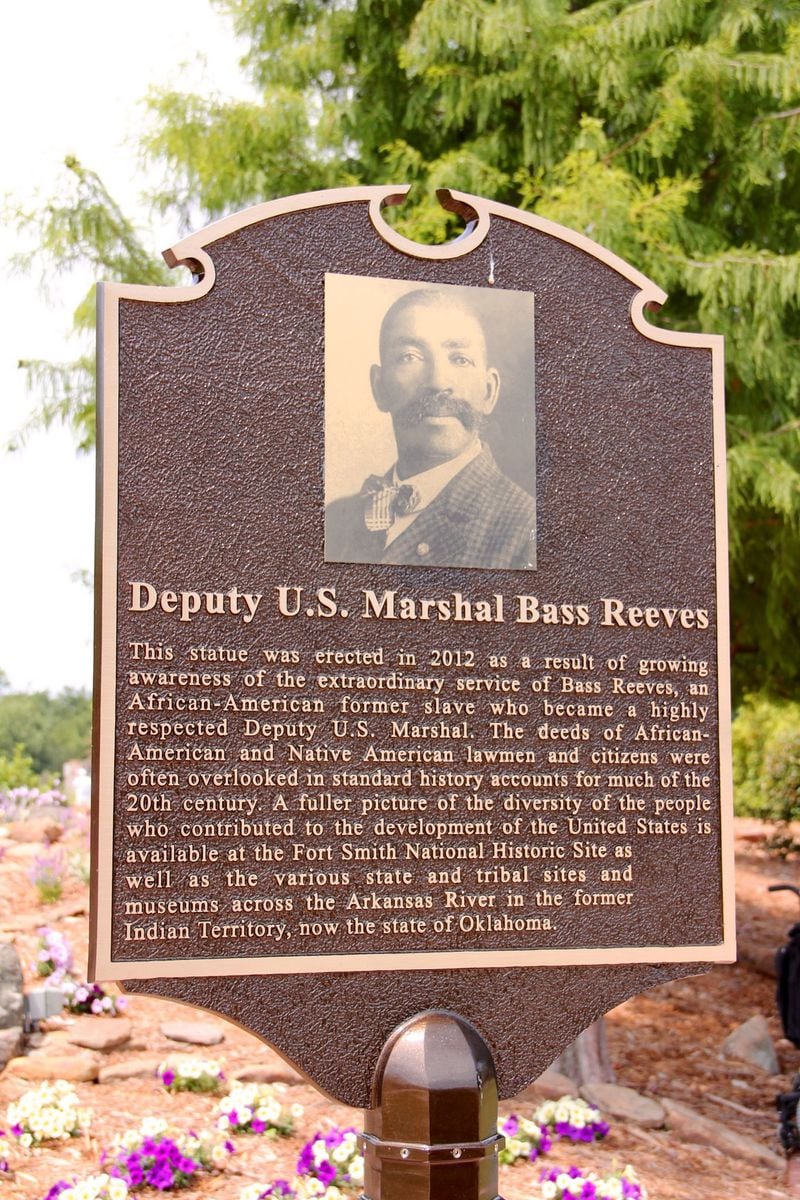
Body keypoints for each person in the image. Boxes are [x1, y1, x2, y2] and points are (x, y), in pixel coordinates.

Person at [325, 287, 536, 569]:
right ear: (379, 387)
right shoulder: (335, 520)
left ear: (489, 391)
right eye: (410, 357)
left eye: (460, 359)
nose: (438, 381)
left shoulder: (529, 532)